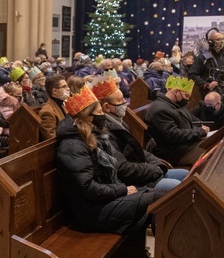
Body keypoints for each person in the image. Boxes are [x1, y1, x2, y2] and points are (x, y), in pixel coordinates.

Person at [56, 86, 165, 234]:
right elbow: (89, 188)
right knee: (159, 197)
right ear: (88, 117)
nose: (103, 117)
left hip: (104, 200)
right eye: (99, 113)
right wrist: (122, 189)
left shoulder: (92, 136)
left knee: (156, 194)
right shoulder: (73, 145)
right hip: (91, 211)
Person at [92, 75, 188, 192]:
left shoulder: (119, 123)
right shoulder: (105, 132)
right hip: (132, 182)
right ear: (106, 107)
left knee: (185, 174)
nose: (125, 103)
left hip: (142, 172)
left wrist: (156, 163)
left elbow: (137, 150)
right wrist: (153, 169)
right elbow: (122, 168)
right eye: (120, 100)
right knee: (177, 185)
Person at [145, 76, 208, 166]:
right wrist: (200, 131)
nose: (187, 99)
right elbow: (172, 135)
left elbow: (185, 126)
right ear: (176, 91)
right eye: (186, 95)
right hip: (176, 152)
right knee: (215, 152)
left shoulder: (175, 104)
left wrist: (200, 130)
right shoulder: (161, 109)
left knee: (215, 143)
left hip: (185, 146)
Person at [189, 29, 224, 94]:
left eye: (222, 39)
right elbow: (192, 75)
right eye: (218, 39)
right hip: (209, 92)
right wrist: (207, 85)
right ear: (211, 42)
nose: (221, 41)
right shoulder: (203, 57)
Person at [39, 74, 69, 140]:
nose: (68, 89)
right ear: (55, 91)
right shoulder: (47, 112)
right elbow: (51, 139)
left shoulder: (62, 104)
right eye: (64, 87)